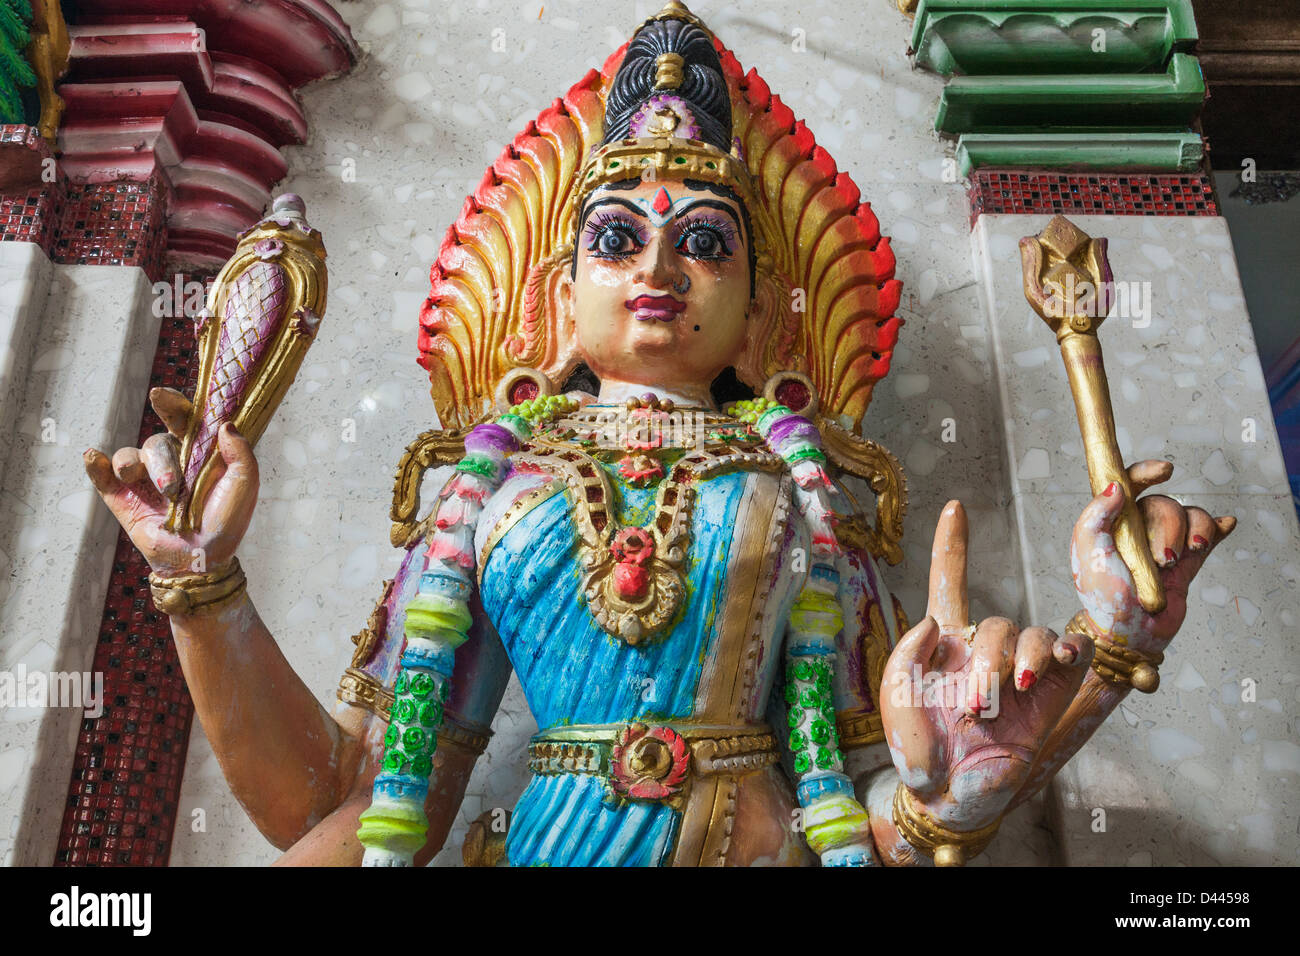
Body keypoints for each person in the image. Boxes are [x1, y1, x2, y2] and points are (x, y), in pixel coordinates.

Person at [84, 1, 1235, 867]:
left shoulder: (806, 501)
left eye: (704, 242)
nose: (657, 266)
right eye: (618, 235)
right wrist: (204, 588)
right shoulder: (488, 491)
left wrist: (1093, 659)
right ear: (557, 291)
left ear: (764, 303)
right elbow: (345, 799)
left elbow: (887, 807)